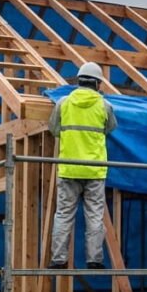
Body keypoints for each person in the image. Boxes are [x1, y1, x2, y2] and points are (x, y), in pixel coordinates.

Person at [48, 62, 117, 269]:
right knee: (94, 215)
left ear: (78, 81)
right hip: (95, 169)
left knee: (63, 214)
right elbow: (110, 128)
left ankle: (58, 259)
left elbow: (54, 128)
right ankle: (94, 259)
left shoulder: (63, 103)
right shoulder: (105, 105)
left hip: (68, 167)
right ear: (97, 83)